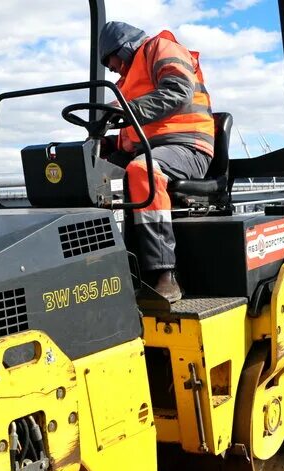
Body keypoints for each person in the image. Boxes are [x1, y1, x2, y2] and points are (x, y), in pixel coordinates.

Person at [98, 21, 215, 303]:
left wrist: (126, 110)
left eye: (109, 60)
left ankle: (165, 273)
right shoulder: (125, 83)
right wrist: (107, 143)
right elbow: (132, 132)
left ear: (123, 46)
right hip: (150, 147)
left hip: (188, 145)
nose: (111, 68)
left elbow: (177, 91)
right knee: (93, 171)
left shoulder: (160, 48)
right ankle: (108, 268)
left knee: (142, 170)